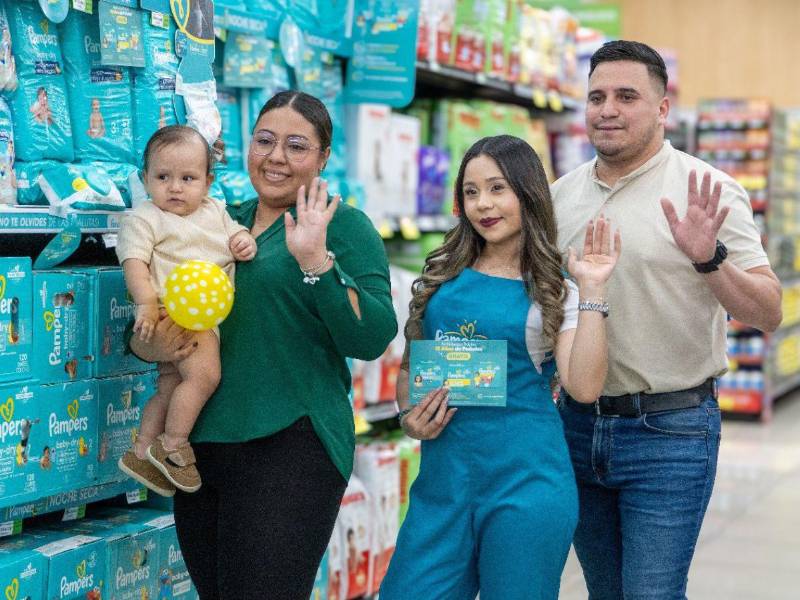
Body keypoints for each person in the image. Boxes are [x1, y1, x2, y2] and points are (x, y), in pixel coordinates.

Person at [128, 90, 397, 599]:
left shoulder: (344, 227)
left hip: (294, 442)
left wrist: (316, 260)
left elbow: (372, 336)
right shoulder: (212, 219)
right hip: (200, 446)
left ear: (323, 157)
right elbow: (146, 326)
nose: (276, 157)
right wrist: (154, 343)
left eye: (296, 146)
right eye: (264, 140)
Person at [551, 40, 783, 599]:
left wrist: (710, 258)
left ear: (662, 109)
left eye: (627, 96)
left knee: (652, 592)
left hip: (670, 431)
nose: (607, 109)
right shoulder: (558, 198)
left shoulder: (707, 191)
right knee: (604, 591)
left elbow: (768, 311)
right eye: (597, 96)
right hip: (577, 428)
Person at [380, 134, 621, 600]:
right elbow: (413, 366)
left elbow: (585, 386)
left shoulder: (556, 290)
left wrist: (593, 289)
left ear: (527, 193)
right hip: (443, 483)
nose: (482, 205)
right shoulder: (440, 274)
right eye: (471, 192)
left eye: (497, 189)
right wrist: (411, 417)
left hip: (526, 486)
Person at [116, 125, 257, 496]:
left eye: (188, 178)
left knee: (170, 386)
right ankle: (174, 443)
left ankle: (142, 448)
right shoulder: (143, 217)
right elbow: (134, 263)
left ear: (208, 181)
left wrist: (243, 241)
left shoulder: (216, 211)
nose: (175, 187)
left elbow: (236, 234)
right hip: (175, 313)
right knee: (205, 377)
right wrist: (146, 305)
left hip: (197, 312)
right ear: (145, 180)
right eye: (163, 177)